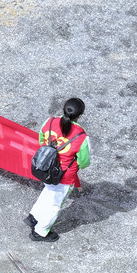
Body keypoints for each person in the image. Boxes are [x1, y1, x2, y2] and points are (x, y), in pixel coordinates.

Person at [25, 97, 90, 242]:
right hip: (64, 175)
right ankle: (40, 232)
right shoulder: (81, 136)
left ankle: (33, 217)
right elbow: (84, 161)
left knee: (48, 191)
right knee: (55, 204)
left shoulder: (49, 122)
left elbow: (42, 140)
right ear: (80, 116)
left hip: (45, 167)